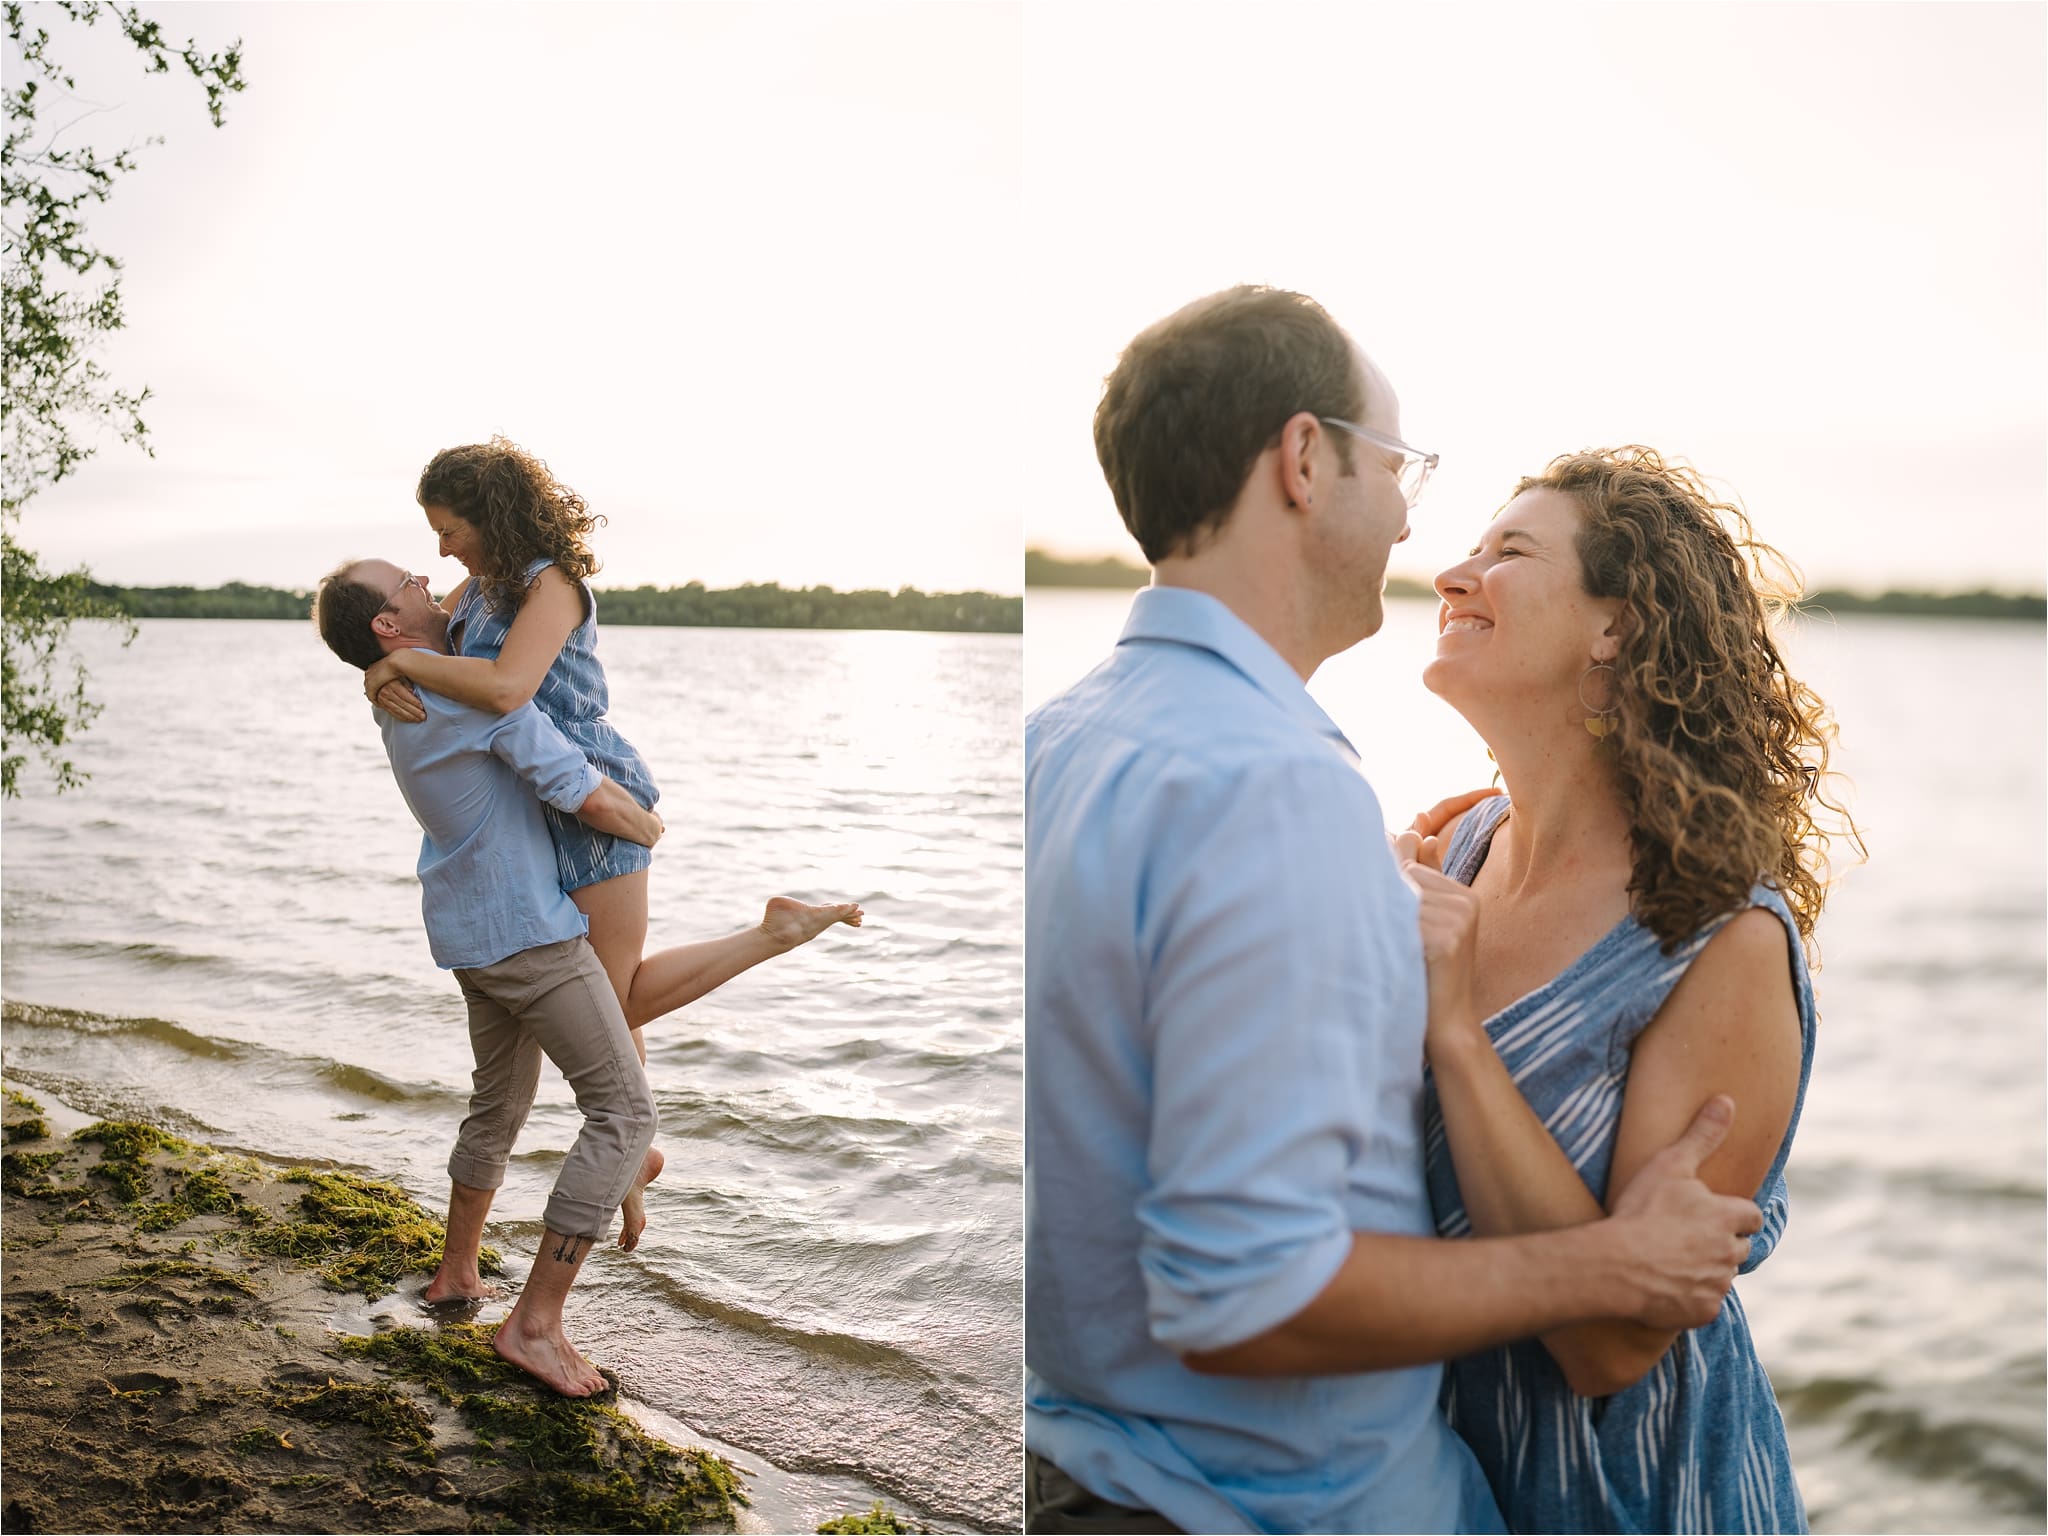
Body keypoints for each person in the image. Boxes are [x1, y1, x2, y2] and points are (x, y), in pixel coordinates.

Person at [1024, 285, 1766, 1535]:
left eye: (1505, 551)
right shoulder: (1273, 788)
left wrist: (1348, 907)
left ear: (1616, 629)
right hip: (1276, 1504)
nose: (1422, 535)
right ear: (1302, 461)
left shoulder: (1058, 743)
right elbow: (1243, 1294)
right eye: (1394, 464)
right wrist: (1608, 1262)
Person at [1401, 448, 1860, 1532]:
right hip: (1428, 1486)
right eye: (1470, 549)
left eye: (1509, 553)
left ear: (1616, 626)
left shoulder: (1720, 937)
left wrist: (1453, 1033)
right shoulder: (1453, 851)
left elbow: (1610, 1343)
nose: (1453, 576)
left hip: (1637, 1497)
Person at [313, 557, 849, 1395]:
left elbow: (442, 627)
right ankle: (534, 1326)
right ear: (387, 622)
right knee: (626, 1114)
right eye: (410, 582)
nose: (429, 582)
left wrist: (384, 666)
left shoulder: (405, 693)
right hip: (528, 937)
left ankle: (457, 1274)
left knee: (498, 1105)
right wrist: (646, 824)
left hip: (468, 934)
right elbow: (576, 787)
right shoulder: (465, 695)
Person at [358, 438, 862, 1243]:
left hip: (593, 793)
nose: (442, 550)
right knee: (603, 992)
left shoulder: (551, 584)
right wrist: (381, 669)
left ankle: (773, 933)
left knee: (612, 997)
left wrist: (398, 671)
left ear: (491, 517)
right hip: (535, 804)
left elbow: (504, 689)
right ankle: (633, 1164)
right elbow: (412, 637)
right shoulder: (474, 590)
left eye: (449, 529)